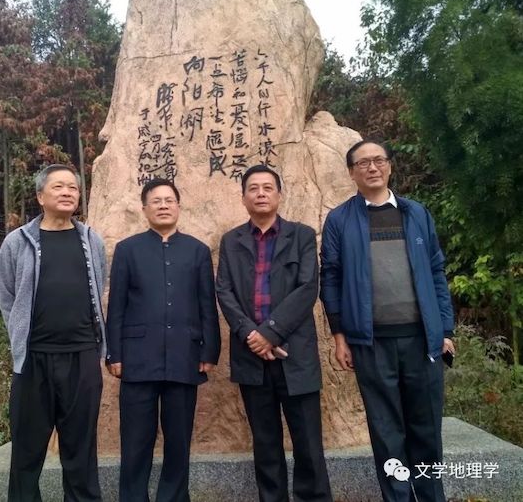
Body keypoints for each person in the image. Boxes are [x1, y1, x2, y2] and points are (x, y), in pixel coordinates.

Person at [320, 140, 455, 502]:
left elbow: (436, 271)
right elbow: (330, 278)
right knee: (386, 431)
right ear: (351, 173)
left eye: (379, 160)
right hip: (371, 343)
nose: (372, 167)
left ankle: (431, 496)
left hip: (422, 340)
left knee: (427, 429)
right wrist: (339, 336)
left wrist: (445, 329)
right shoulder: (340, 220)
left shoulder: (416, 213)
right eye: (363, 163)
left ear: (390, 166)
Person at [216, 165, 332, 502]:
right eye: (253, 188)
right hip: (251, 355)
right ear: (243, 198)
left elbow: (307, 288)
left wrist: (271, 332)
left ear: (279, 195)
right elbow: (224, 291)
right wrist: (252, 335)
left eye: (268, 187)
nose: (261, 194)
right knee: (265, 443)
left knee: (308, 442)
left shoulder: (302, 235)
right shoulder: (231, 241)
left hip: (295, 354)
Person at [0, 164, 107, 502]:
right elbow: (7, 295)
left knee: (81, 448)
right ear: (40, 196)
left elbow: (99, 286)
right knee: (27, 449)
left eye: (73, 187)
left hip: (82, 357)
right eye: (58, 186)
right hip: (33, 360)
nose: (67, 192)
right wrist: (20, 338)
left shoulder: (91, 240)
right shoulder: (18, 242)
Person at [105, 178, 221, 502]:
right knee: (135, 441)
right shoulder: (127, 250)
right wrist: (114, 353)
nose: (163, 205)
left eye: (169, 200)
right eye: (156, 201)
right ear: (145, 209)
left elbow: (206, 305)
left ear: (179, 207)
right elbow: (116, 307)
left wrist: (209, 350)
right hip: (137, 359)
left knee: (178, 441)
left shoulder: (197, 251)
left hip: (185, 357)